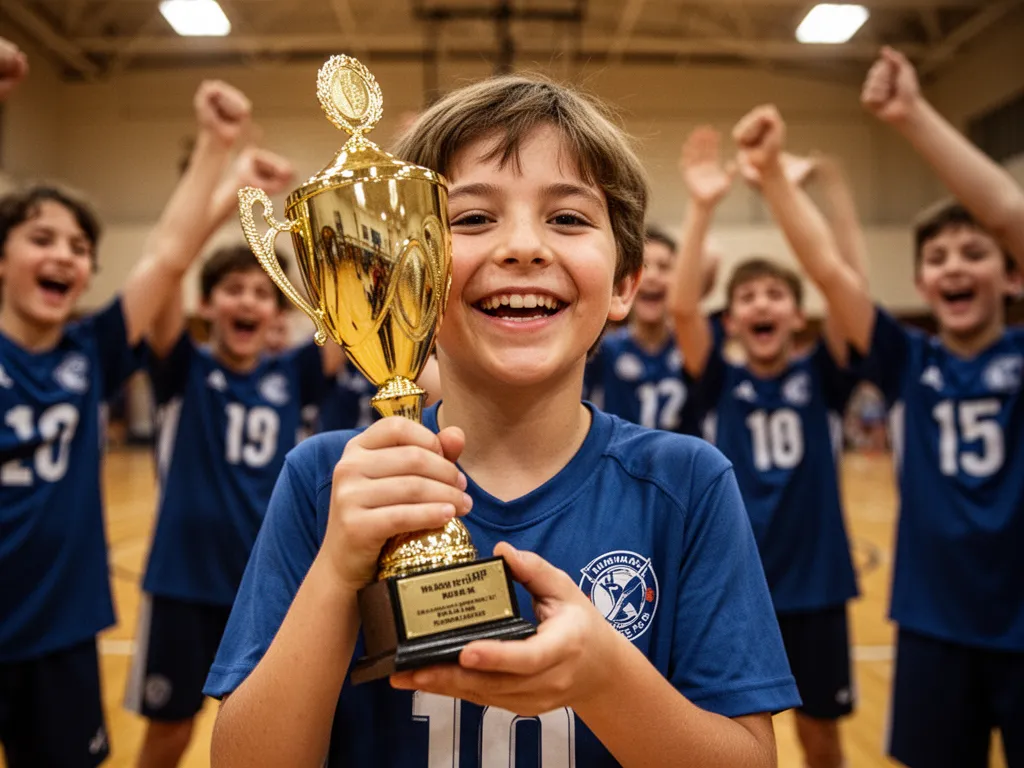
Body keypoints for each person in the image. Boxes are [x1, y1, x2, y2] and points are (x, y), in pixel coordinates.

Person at [203, 75, 800, 767]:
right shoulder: (328, 481)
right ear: (405, 264)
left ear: (626, 283)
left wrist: (605, 679)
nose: (523, 246)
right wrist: (339, 572)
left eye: (569, 219)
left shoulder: (688, 484)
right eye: (472, 219)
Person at [0, 37, 251, 766]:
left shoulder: (91, 353)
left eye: (81, 246)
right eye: (41, 238)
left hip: (62, 630)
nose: (66, 255)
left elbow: (169, 256)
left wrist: (216, 142)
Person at [669, 123, 865, 768]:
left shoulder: (821, 377)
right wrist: (702, 206)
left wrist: (832, 188)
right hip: (736, 581)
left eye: (776, 295)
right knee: (728, 733)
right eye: (748, 296)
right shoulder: (721, 380)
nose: (762, 304)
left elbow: (843, 281)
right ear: (733, 322)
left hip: (816, 585)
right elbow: (683, 312)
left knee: (820, 734)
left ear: (796, 316)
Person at [126, 204, 348, 766]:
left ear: (279, 311)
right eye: (232, 289)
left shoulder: (291, 375)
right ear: (207, 306)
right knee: (171, 733)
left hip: (267, 579)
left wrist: (308, 236)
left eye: (261, 291)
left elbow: (338, 321)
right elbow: (166, 274)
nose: (248, 300)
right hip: (183, 579)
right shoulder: (185, 371)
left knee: (273, 729)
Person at [857, 48, 1024, 767]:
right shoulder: (908, 360)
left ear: (1011, 273)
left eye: (974, 251)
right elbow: (835, 280)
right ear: (921, 281)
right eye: (938, 257)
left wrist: (913, 117)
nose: (955, 265)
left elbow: (1012, 212)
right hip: (932, 617)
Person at [584, 227, 718, 435]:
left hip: (681, 463)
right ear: (625, 282)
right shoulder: (605, 349)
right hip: (624, 463)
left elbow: (712, 259)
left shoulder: (692, 346)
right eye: (643, 266)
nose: (653, 275)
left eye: (664, 267)